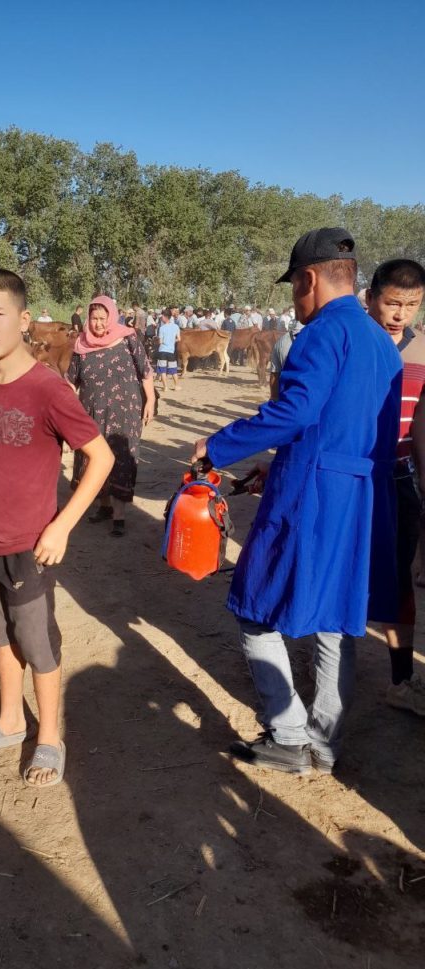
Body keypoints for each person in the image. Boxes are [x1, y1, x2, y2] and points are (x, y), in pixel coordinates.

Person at [193, 227, 402, 775]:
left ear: (309, 279)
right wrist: (278, 464)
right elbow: (350, 430)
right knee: (336, 620)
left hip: (311, 499)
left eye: (293, 286)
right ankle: (324, 745)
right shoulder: (382, 341)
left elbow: (296, 412)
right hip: (360, 499)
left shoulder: (320, 334)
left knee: (253, 606)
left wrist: (217, 447)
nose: (293, 299)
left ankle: (287, 735)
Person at [0, 268, 114, 788]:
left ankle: (49, 736)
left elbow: (101, 458)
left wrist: (62, 526)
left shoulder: (49, 389)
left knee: (37, 640)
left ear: (24, 320)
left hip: (31, 543)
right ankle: (9, 719)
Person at [366, 259, 425, 716]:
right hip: (354, 478)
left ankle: (401, 681)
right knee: (341, 572)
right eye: (392, 303)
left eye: (412, 304)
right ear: (371, 298)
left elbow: (421, 424)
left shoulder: (423, 348)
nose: (400, 314)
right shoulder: (350, 342)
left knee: (399, 580)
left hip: (401, 480)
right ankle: (327, 672)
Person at [67, 295, 155, 537]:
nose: (98, 324)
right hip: (91, 412)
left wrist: (151, 400)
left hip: (124, 412)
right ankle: (104, 506)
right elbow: (71, 381)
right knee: (93, 457)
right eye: (94, 319)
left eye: (102, 318)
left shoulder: (127, 338)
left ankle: (119, 515)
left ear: (112, 317)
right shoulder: (81, 344)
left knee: (121, 457)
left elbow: (145, 371)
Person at [155, 307, 181, 393]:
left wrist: (162, 341)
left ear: (166, 317)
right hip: (171, 351)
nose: (161, 318)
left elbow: (160, 341)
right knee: (173, 370)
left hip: (162, 350)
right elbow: (179, 339)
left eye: (162, 316)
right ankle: (176, 386)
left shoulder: (162, 328)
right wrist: (172, 341)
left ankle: (165, 387)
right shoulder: (176, 327)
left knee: (162, 370)